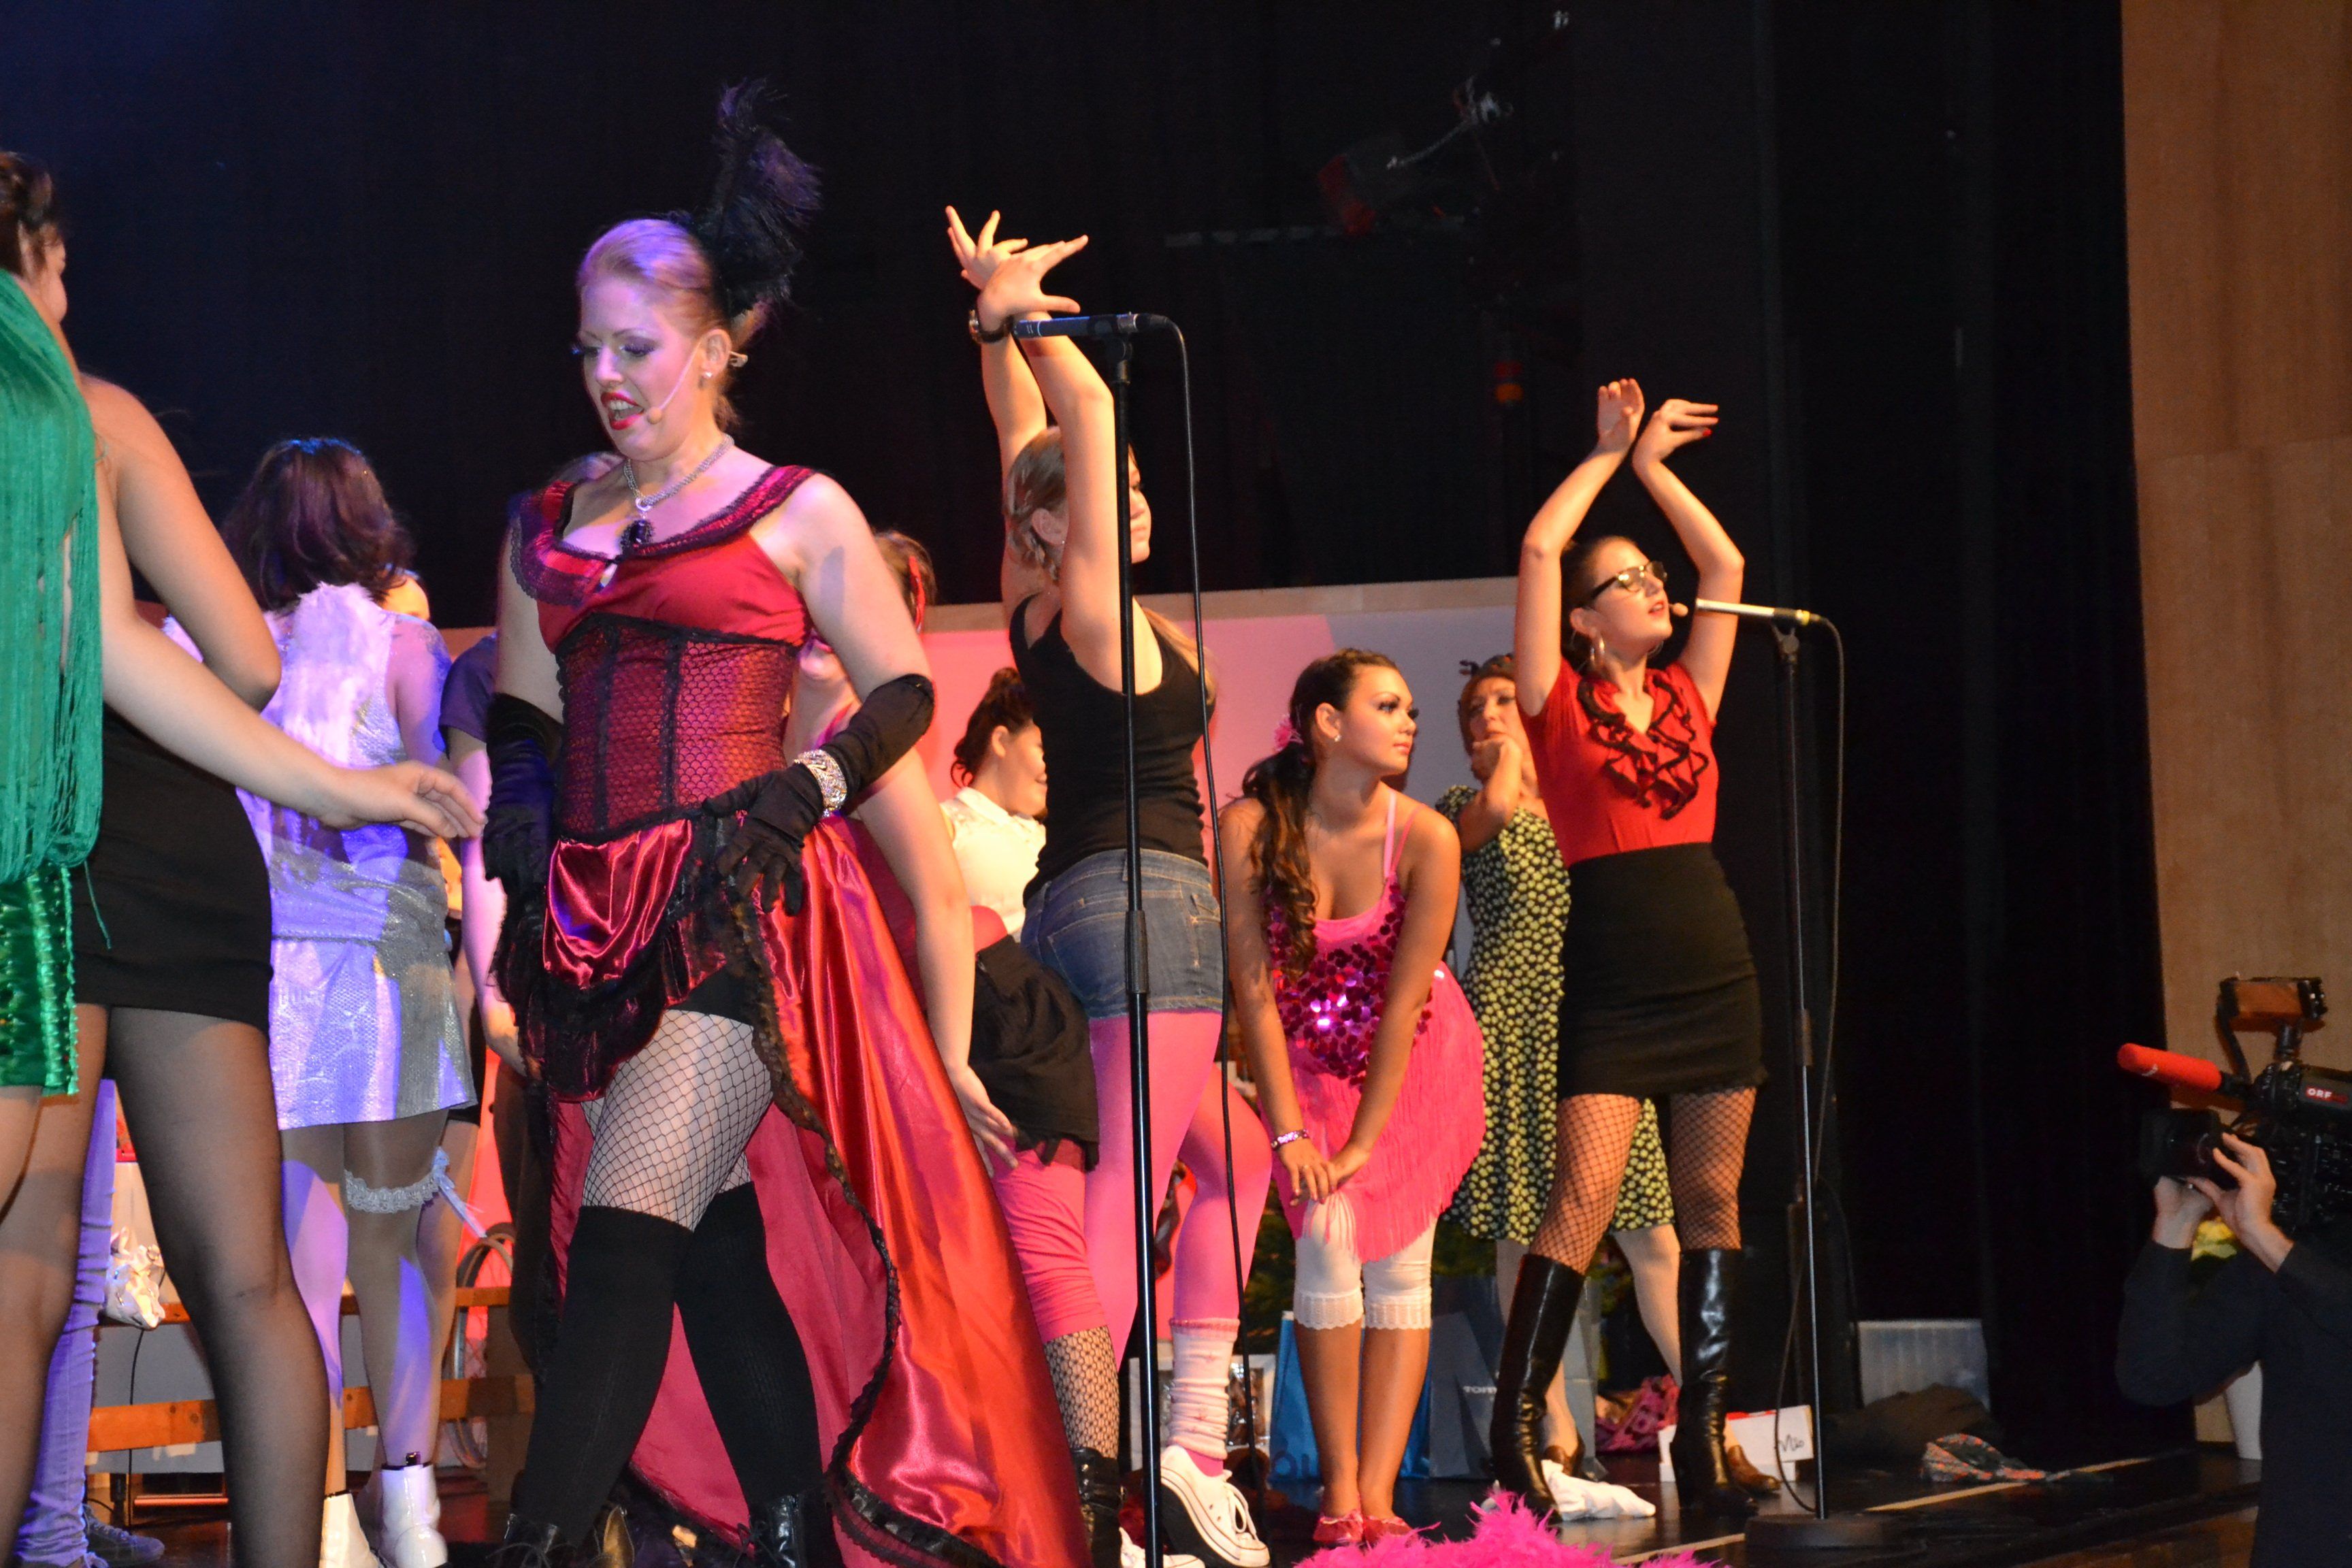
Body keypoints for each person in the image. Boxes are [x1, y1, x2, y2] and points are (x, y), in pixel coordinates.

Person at [486, 88, 1081, 1568]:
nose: (607, 377)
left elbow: (902, 693)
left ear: (714, 348)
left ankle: (537, 1545)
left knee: (626, 1232)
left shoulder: (796, 508)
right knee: (710, 1243)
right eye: (587, 349)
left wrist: (801, 790)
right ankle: (797, 1531)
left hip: (735, 906)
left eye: (635, 348)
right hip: (588, 922)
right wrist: (518, 841)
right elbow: (524, 718)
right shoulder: (548, 522)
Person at [0, 151, 481, 1568]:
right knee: (248, 1275)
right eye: (62, 266)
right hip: (164, 828)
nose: (68, 294)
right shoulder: (96, 419)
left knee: (25, 1267)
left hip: (39, 853)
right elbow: (251, 661)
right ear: (34, 259)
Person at [949, 207, 1273, 1568]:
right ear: (1048, 520)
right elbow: (1071, 415)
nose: (1131, 496)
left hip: (1095, 908)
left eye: (1136, 485)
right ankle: (1069, 1490)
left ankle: (1183, 1448)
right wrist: (1034, 316)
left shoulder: (1045, 599)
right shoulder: (1083, 604)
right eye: (1110, 485)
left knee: (1235, 1161)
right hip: (1148, 911)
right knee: (1115, 1213)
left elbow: (1025, 431)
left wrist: (992, 321)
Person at [1496, 378, 1767, 1519]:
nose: (1655, 586)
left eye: (1653, 574)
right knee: (1586, 1196)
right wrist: (1608, 454)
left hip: (1712, 961)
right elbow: (1539, 545)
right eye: (1627, 580)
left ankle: (1701, 1439)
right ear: (1583, 620)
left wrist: (1659, 471)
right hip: (1613, 971)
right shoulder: (1555, 703)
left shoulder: (1692, 691)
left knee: (1711, 1198)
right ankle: (1516, 1433)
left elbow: (1727, 566)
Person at [220, 439, 475, 1568]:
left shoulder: (227, 651)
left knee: (301, 1267)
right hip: (392, 958)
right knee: (398, 1249)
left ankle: (324, 1519)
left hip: (278, 966)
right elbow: (448, 802)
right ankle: (410, 1511)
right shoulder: (405, 645)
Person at [1220, 652, 1485, 1546]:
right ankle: (1339, 1493)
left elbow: (1407, 1001)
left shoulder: (1428, 837)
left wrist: (1367, 1142)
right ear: (1328, 723)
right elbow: (1252, 990)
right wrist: (1287, 1129)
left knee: (1401, 1270)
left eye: (1410, 708)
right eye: (1388, 705)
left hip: (1413, 1064)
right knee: (1328, 1252)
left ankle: (1378, 1497)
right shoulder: (1251, 827)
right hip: (1309, 1068)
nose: (1410, 721)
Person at [1437, 655, 1708, 1488]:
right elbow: (1487, 819)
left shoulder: (1584, 806)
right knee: (1525, 1230)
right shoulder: (1456, 809)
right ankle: (1547, 1424)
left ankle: (1713, 1416)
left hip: (1595, 1020)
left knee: (1652, 1231)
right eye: (1475, 708)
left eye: (1504, 701)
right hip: (1510, 1027)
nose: (1489, 714)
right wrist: (1509, 759)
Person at [2119, 1137, 2352, 1567]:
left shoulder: (2283, 1257)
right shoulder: (2290, 1260)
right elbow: (2155, 1379)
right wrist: (2176, 1225)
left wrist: (2264, 1239)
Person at [941, 668, 1047, 940]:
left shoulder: (1052, 835)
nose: (1056, 766)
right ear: (1000, 741)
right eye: (1044, 749)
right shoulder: (944, 824)